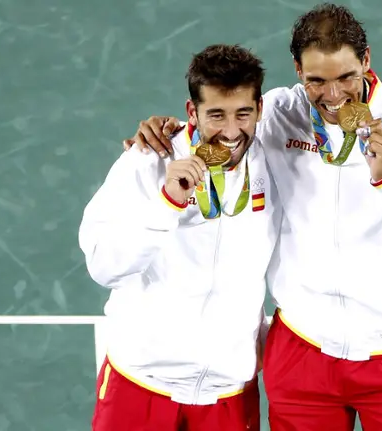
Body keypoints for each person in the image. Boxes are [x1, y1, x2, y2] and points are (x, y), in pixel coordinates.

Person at [123, 3, 382, 430]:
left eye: (346, 76)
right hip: (302, 354)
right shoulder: (275, 115)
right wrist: (167, 134)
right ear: (296, 69)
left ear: (367, 60)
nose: (333, 96)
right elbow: (224, 125)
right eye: (316, 81)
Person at [78, 44, 281, 431]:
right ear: (193, 112)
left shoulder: (276, 165)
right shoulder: (147, 160)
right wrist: (167, 204)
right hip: (140, 385)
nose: (231, 131)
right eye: (216, 116)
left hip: (229, 394)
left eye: (243, 114)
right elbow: (104, 266)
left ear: (259, 109)